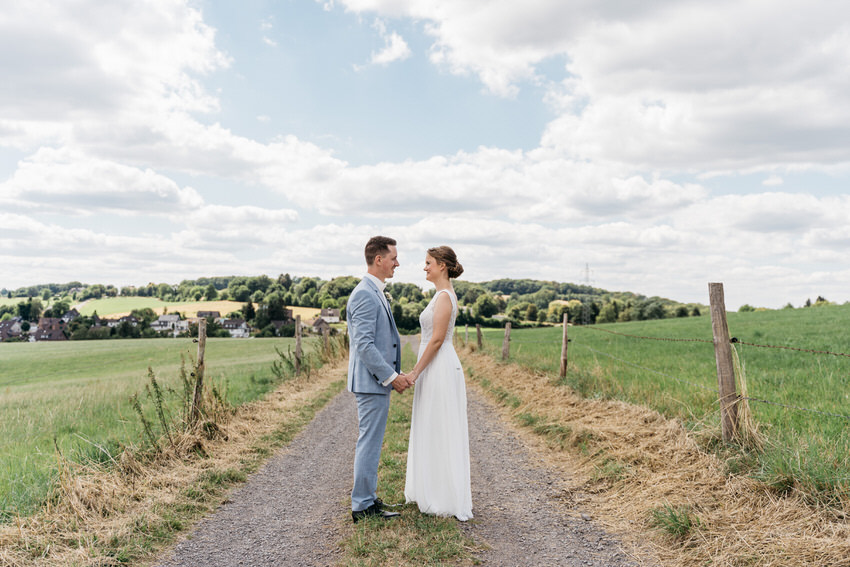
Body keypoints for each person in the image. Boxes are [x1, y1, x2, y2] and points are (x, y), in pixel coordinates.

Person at [346, 236, 413, 523]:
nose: (397, 262)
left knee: (371, 442)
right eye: (394, 257)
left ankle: (368, 498)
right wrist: (391, 377)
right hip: (372, 382)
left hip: (374, 382)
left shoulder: (374, 291)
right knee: (369, 443)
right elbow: (364, 345)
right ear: (378, 260)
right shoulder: (364, 293)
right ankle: (362, 506)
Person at [404, 245, 473, 521]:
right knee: (432, 424)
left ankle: (442, 496)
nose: (425, 267)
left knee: (440, 426)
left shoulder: (444, 297)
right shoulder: (439, 296)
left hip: (440, 367)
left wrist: (414, 373)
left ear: (442, 265)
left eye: (428, 262)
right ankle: (429, 488)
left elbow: (436, 340)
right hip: (435, 366)